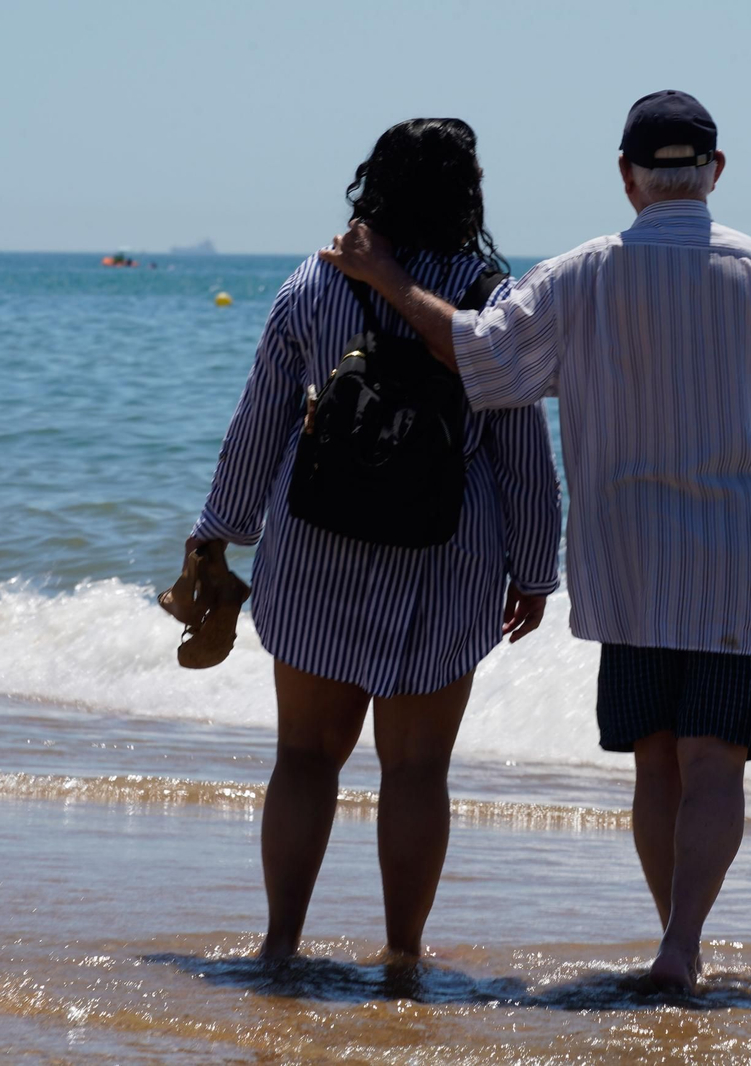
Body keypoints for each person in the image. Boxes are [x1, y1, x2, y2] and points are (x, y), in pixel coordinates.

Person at [321, 90, 751, 992]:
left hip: (629, 561)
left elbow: (481, 355)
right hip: (740, 562)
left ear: (626, 177)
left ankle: (673, 941)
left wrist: (386, 281)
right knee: (715, 760)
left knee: (655, 758)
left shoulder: (581, 273)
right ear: (716, 173)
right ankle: (682, 944)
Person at [183, 118, 562, 962]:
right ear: (468, 192)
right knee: (418, 771)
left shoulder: (314, 285)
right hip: (444, 555)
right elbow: (520, 452)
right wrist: (536, 567)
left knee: (304, 759)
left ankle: (279, 944)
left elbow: (258, 425)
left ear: (373, 185)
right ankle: (401, 956)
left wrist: (220, 533)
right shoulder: (487, 298)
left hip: (316, 545)